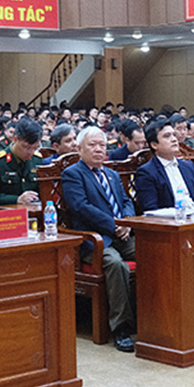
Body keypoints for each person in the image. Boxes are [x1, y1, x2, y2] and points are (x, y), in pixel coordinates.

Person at [62, 127, 137, 352]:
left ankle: (153, 315)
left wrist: (126, 222)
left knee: (155, 251)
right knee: (115, 264)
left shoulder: (112, 174)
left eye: (102, 145)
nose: (98, 149)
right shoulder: (73, 174)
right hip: (94, 240)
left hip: (121, 233)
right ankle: (121, 328)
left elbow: (127, 201)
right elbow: (81, 207)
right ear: (79, 148)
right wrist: (114, 225)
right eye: (92, 145)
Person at [134, 119, 194, 211]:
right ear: (154, 145)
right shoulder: (146, 172)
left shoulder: (188, 166)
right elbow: (150, 209)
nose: (174, 139)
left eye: (174, 135)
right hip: (171, 218)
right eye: (167, 136)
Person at [0, 117, 43, 208]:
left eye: (35, 148)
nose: (31, 152)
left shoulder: (37, 160)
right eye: (27, 147)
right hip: (5, 213)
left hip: (33, 211)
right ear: (15, 139)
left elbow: (43, 191)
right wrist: (16, 199)